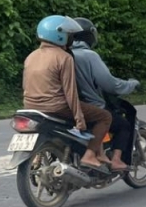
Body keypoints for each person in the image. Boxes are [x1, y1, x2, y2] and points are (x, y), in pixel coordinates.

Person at [23, 15, 110, 171]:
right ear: (59, 35)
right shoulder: (64, 57)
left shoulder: (31, 56)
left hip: (32, 108)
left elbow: (26, 86)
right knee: (104, 116)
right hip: (57, 107)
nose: (70, 39)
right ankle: (90, 155)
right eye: (69, 35)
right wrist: (79, 119)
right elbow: (71, 92)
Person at [70, 18, 139, 172]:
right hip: (89, 106)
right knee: (122, 125)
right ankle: (116, 160)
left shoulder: (61, 54)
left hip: (63, 105)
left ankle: (98, 153)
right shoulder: (89, 55)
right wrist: (131, 84)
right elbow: (110, 84)